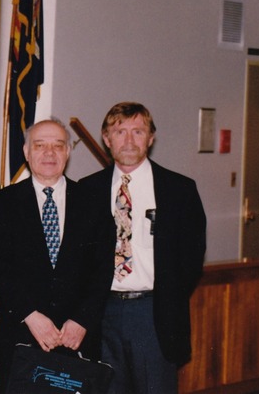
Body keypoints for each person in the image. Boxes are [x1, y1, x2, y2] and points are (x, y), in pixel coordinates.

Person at [79, 102, 206, 394]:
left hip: (153, 315)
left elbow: (191, 259)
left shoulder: (179, 190)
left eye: (138, 131)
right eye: (120, 131)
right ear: (106, 139)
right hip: (101, 314)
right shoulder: (86, 191)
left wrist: (163, 297)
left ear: (151, 138)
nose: (129, 140)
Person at [0, 118, 114, 393]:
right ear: (26, 152)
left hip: (77, 338)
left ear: (67, 152)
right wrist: (30, 315)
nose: (49, 153)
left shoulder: (92, 201)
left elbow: (103, 269)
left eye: (58, 146)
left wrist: (82, 320)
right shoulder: (4, 202)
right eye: (40, 145)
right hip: (22, 335)